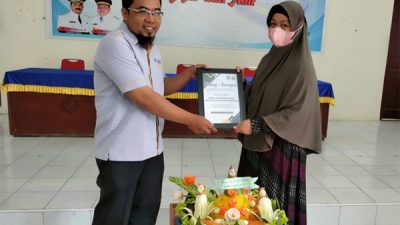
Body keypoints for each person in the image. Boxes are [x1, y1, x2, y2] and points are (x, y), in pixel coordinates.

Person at [91, 0, 217, 224]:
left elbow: (159, 90)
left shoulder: (152, 48)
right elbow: (143, 97)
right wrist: (191, 119)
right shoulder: (115, 44)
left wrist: (189, 73)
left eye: (157, 12)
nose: (151, 18)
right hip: (122, 152)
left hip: (152, 151)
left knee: (144, 216)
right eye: (142, 11)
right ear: (124, 13)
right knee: (114, 218)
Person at [233, 1, 322, 225]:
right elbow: (259, 97)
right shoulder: (269, 59)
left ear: (299, 28)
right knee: (252, 208)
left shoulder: (301, 66)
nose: (277, 30)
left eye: (285, 24)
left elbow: (297, 112)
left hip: (281, 151)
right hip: (257, 148)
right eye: (273, 24)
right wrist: (237, 85)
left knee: (273, 210)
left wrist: (255, 125)